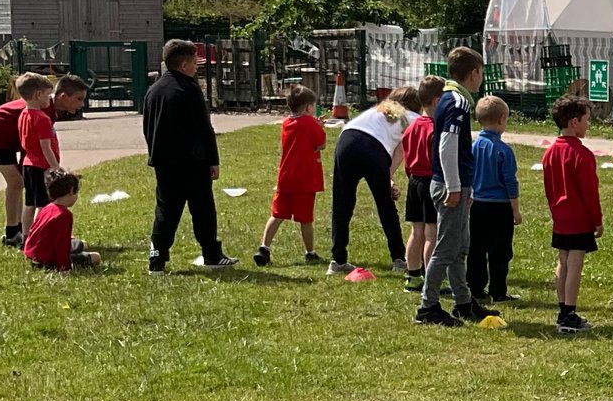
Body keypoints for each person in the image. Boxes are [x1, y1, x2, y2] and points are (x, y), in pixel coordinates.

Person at [414, 47, 499, 327]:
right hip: (450, 184)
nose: (481, 77)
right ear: (473, 73)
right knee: (446, 249)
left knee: (460, 247)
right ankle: (428, 306)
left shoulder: (450, 97)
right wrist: (453, 186)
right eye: (481, 72)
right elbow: (447, 144)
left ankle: (463, 302)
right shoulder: (458, 102)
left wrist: (466, 188)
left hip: (458, 184)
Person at [143, 39, 236, 274]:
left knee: (166, 210)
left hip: (164, 162)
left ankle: (157, 258)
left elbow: (148, 127)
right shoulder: (189, 89)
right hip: (192, 162)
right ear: (184, 65)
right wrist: (213, 160)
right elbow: (204, 127)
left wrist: (154, 153)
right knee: (203, 209)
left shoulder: (153, 90)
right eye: (195, 62)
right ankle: (211, 254)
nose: (197, 67)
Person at [0, 75, 88, 247]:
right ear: (62, 97)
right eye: (78, 99)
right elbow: (35, 144)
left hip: (7, 138)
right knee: (17, 183)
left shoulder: (43, 106)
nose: (82, 104)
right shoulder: (43, 110)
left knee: (24, 190)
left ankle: (21, 233)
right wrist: (50, 168)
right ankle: (17, 234)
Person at [327, 86, 422, 275]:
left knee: (342, 203)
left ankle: (337, 260)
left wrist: (388, 178)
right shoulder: (412, 117)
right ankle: (398, 258)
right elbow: (401, 149)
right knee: (385, 205)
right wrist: (388, 178)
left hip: (346, 139)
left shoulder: (378, 109)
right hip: (373, 146)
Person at [542, 95, 602, 334]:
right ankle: (569, 313)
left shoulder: (549, 153)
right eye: (587, 119)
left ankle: (562, 309)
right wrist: (597, 220)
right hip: (579, 218)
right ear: (574, 122)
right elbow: (590, 192)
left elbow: (548, 187)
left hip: (560, 216)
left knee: (563, 261)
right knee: (575, 264)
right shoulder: (582, 154)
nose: (589, 124)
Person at [253, 85, 326, 266]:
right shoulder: (309, 123)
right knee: (305, 218)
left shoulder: (286, 122)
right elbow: (321, 143)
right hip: (305, 179)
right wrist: (318, 126)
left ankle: (264, 247)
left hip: (286, 177)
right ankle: (310, 252)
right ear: (308, 107)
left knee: (277, 214)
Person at [467, 95, 522, 303]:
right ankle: (498, 291)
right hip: (500, 207)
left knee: (476, 248)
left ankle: (475, 287)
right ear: (502, 119)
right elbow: (510, 182)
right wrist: (515, 209)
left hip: (477, 204)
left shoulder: (473, 147)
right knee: (500, 251)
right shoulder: (503, 150)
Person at [401, 75, 445, 293]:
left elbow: (406, 152)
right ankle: (431, 278)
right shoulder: (435, 129)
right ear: (437, 101)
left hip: (414, 181)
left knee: (416, 231)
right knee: (432, 233)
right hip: (430, 181)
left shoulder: (413, 125)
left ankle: (412, 276)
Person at [23, 169, 101, 271]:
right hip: (46, 260)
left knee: (80, 244)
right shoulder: (64, 215)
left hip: (32, 255)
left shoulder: (47, 208)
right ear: (71, 191)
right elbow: (61, 246)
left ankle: (80, 246)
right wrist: (65, 268)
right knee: (96, 256)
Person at [16, 73, 63, 236]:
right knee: (42, 204)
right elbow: (45, 147)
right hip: (41, 166)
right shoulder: (42, 118)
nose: (50, 99)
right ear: (38, 95)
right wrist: (55, 167)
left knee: (30, 202)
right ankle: (40, 236)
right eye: (48, 95)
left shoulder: (23, 115)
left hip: (27, 164)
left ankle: (26, 236)